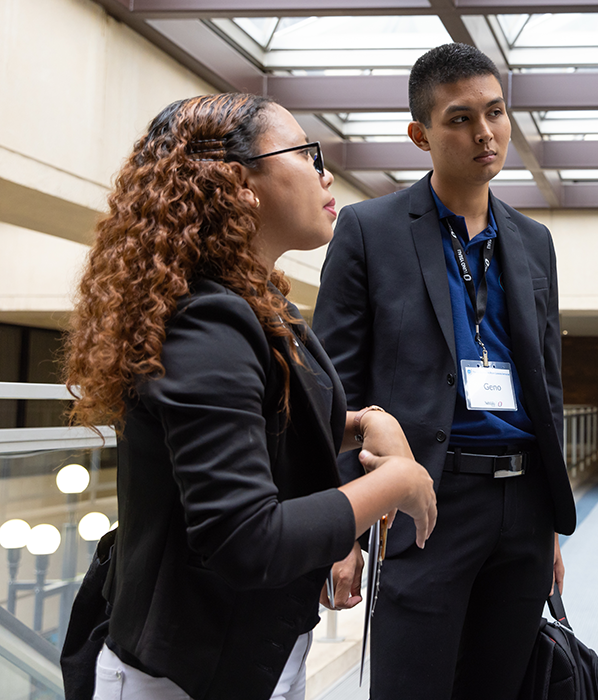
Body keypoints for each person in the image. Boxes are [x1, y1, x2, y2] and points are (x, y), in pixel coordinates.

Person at [63, 93, 438, 700]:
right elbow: (245, 539)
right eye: (305, 153)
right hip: (180, 676)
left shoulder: (257, 306)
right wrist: (398, 483)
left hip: (252, 654)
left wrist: (368, 420)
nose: (325, 172)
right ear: (239, 184)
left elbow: (264, 424)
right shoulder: (206, 324)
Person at [313, 42, 577, 699]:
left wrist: (546, 523)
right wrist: (342, 526)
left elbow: (545, 379)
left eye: (495, 112)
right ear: (420, 135)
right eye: (460, 119)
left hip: (523, 506)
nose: (485, 133)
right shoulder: (369, 231)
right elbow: (332, 386)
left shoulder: (533, 241)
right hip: (423, 502)